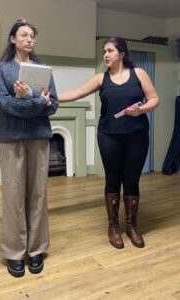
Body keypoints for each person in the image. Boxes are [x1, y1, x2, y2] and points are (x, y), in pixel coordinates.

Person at [58, 36, 159, 249]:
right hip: (109, 136)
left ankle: (131, 226)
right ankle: (113, 227)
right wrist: (49, 96)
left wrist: (142, 109)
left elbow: (154, 99)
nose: (106, 54)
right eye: (104, 51)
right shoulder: (100, 79)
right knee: (112, 180)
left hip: (137, 135)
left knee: (131, 180)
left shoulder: (139, 74)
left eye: (110, 50)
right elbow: (75, 93)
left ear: (122, 54)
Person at [0, 18, 58, 277]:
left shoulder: (43, 68)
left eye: (32, 36)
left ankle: (36, 248)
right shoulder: (0, 68)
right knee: (14, 196)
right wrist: (36, 104)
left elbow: (53, 105)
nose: (29, 39)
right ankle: (14, 252)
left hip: (39, 136)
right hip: (11, 138)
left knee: (39, 194)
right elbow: (4, 104)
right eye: (24, 35)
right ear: (12, 39)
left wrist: (31, 98)